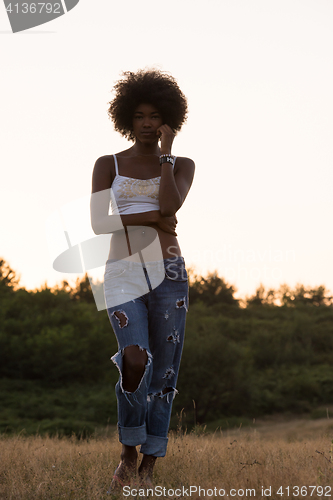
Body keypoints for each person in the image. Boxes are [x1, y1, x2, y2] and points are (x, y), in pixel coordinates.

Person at [90, 68, 195, 491]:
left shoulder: (182, 164)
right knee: (135, 359)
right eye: (139, 116)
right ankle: (127, 450)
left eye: (155, 115)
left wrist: (167, 154)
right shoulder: (107, 164)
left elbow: (173, 203)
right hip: (121, 273)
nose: (148, 123)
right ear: (126, 120)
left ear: (168, 119)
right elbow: (99, 224)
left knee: (164, 372)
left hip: (169, 273)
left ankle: (149, 467)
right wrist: (156, 217)